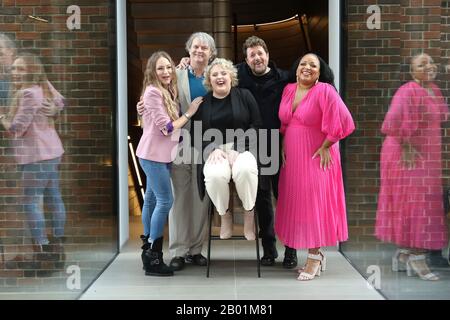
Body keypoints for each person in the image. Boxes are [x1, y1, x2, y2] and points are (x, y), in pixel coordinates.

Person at [138, 32, 217, 271]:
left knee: (201, 197)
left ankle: (196, 249)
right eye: (195, 47)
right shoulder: (176, 74)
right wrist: (141, 105)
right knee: (177, 198)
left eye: (204, 48)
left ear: (211, 53)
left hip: (208, 144)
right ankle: (178, 251)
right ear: (188, 50)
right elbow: (154, 98)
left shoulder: (217, 74)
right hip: (177, 143)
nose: (199, 51)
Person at [275, 53, 355, 281]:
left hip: (317, 156)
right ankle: (317, 253)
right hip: (293, 158)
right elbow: (285, 122)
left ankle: (313, 258)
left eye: (313, 65)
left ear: (320, 73)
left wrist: (327, 145)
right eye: (303, 63)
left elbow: (346, 123)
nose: (307, 67)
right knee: (299, 203)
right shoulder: (289, 89)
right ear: (296, 68)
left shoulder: (325, 91)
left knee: (314, 205)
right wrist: (283, 143)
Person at [375, 53, 449, 281]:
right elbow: (392, 121)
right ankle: (418, 258)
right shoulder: (408, 90)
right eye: (421, 64)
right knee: (418, 205)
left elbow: (442, 116)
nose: (429, 66)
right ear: (411, 71)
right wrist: (406, 147)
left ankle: (404, 254)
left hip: (424, 156)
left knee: (415, 203)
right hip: (405, 155)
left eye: (430, 62)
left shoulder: (434, 90)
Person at [0, 53, 67, 262]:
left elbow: (16, 128)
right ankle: (57, 245)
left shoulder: (28, 93)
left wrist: (2, 117)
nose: (16, 73)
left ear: (32, 70)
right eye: (14, 69)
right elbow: (61, 100)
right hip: (51, 152)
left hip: (36, 155)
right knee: (53, 197)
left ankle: (43, 248)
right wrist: (56, 107)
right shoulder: (42, 85)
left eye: (21, 69)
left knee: (30, 201)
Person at [237, 36, 294, 267]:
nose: (257, 58)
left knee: (287, 200)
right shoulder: (238, 76)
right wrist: (184, 64)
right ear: (246, 59)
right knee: (262, 201)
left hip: (281, 147)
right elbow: (212, 71)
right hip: (254, 147)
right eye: (252, 55)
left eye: (260, 53)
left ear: (268, 55)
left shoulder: (284, 78)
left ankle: (291, 249)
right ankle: (269, 249)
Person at [191, 58, 263, 240]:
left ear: (231, 76)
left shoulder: (245, 96)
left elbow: (257, 126)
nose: (219, 77)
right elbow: (195, 134)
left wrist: (238, 148)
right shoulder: (203, 103)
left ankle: (248, 213)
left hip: (244, 148)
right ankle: (225, 215)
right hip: (215, 152)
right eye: (214, 74)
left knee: (245, 170)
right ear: (209, 80)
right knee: (214, 176)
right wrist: (211, 149)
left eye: (223, 73)